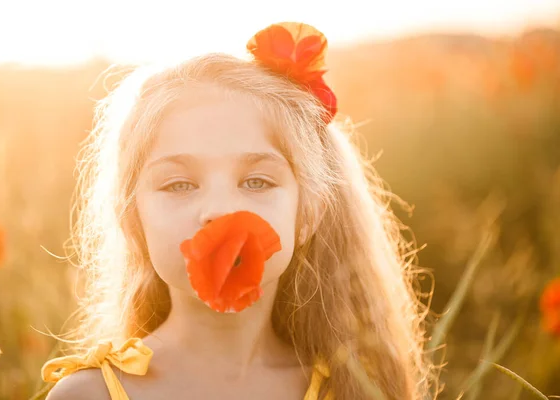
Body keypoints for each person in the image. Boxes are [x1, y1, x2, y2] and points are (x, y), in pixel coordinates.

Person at [40, 21, 435, 400]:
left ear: (309, 214)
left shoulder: (354, 391)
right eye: (179, 184)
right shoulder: (90, 394)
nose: (218, 210)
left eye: (257, 182)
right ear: (133, 219)